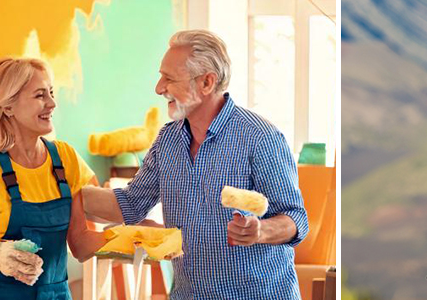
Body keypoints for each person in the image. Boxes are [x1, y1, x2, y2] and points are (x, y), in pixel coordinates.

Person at [81, 29, 309, 299]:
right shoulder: (168, 140)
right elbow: (130, 204)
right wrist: (58, 193)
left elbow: (297, 219)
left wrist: (261, 231)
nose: (158, 88)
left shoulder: (260, 137)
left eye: (169, 79)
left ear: (206, 83)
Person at [0, 58, 106, 299]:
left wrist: (131, 239)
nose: (52, 103)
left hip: (53, 293)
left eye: (50, 92)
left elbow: (80, 242)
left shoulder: (65, 158)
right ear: (8, 106)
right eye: (40, 95)